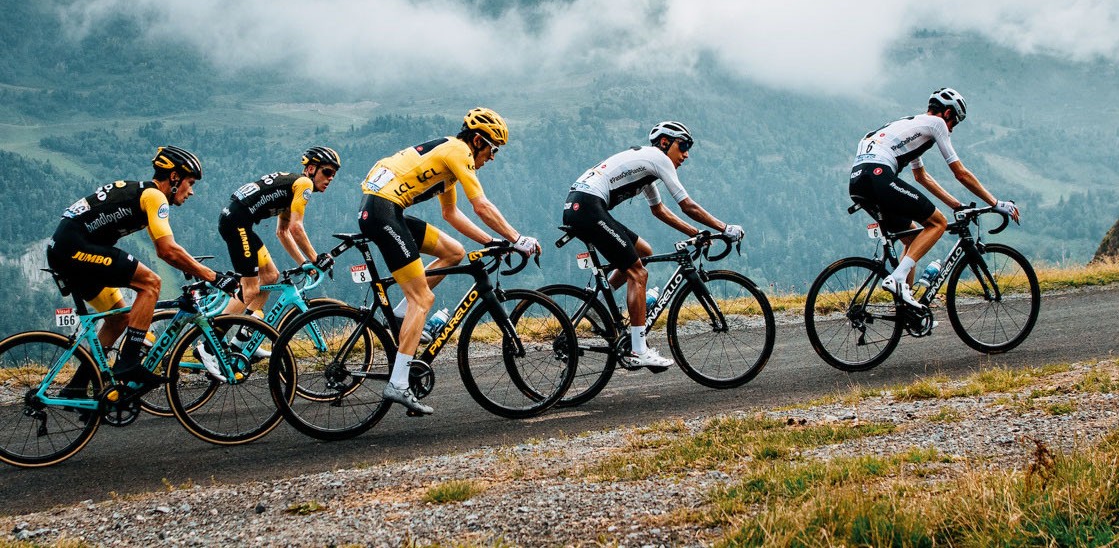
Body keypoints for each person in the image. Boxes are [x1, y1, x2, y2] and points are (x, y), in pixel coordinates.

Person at [357, 108, 537, 415]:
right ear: (478, 141)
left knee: (453, 251)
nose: (493, 157)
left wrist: (490, 241)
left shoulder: (448, 159)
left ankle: (401, 316)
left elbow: (451, 214)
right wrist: (518, 239)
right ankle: (398, 383)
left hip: (386, 210)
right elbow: (481, 205)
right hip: (382, 212)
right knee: (423, 299)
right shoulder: (458, 151)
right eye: (493, 149)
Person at [46, 146, 232, 394]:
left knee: (118, 317)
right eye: (190, 182)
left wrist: (194, 266)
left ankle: (77, 386)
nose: (192, 191)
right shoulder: (155, 197)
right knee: (150, 283)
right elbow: (166, 250)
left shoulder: (142, 193)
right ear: (174, 178)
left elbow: (171, 247)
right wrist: (214, 277)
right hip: (75, 249)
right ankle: (128, 362)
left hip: (64, 248)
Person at [563, 121, 744, 371]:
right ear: (664, 143)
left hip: (582, 206)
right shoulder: (658, 158)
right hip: (587, 207)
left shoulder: (646, 167)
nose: (686, 154)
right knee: (638, 274)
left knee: (643, 252)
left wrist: (697, 233)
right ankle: (639, 350)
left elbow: (660, 211)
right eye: (683, 146)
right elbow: (686, 205)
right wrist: (724, 228)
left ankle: (596, 308)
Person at [850, 88, 1020, 309]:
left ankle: (906, 307)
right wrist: (996, 203)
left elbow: (921, 177)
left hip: (857, 182)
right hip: (878, 176)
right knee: (937, 223)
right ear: (947, 113)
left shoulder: (912, 128)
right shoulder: (936, 124)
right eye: (954, 123)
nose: (951, 129)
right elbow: (960, 173)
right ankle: (897, 279)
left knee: (912, 240)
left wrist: (956, 205)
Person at [216, 146, 342, 324]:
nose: (330, 178)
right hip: (237, 224)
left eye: (333, 175)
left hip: (238, 222)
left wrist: (305, 264)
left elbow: (282, 232)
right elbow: (296, 228)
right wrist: (316, 259)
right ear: (311, 169)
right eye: (327, 172)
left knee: (269, 277)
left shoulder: (293, 187)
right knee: (250, 288)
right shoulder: (304, 184)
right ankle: (211, 344)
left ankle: (243, 339)